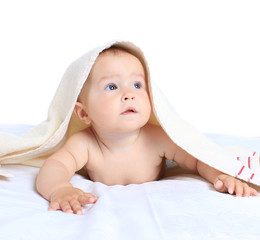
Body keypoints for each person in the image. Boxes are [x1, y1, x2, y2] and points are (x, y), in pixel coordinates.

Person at [36, 46, 258, 215]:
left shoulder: (156, 138)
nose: (129, 94)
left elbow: (198, 158)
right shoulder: (84, 144)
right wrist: (59, 188)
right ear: (83, 114)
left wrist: (220, 175)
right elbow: (55, 166)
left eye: (137, 85)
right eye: (112, 86)